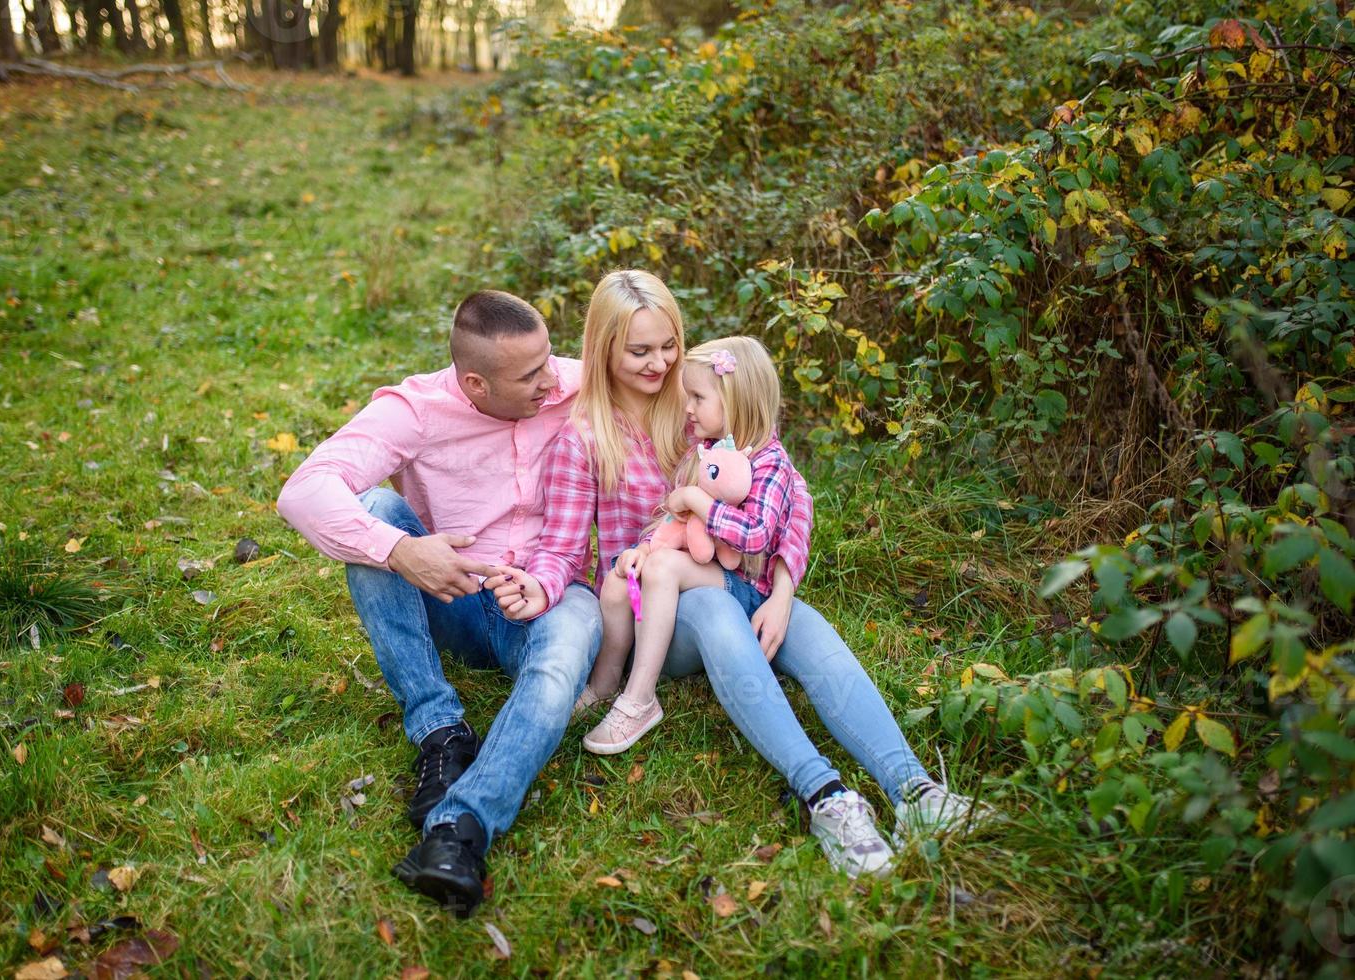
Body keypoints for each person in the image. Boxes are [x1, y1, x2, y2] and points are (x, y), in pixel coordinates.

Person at [492, 270, 995, 880]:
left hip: (741, 583)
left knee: (806, 630)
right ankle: (826, 797)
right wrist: (542, 585)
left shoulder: (706, 409)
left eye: (668, 345)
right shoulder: (585, 438)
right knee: (707, 606)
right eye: (640, 351)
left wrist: (783, 593)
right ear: (604, 349)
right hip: (662, 611)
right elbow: (567, 550)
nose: (660, 363)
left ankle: (916, 792)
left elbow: (793, 495)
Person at [276, 290, 603, 917]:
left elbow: (679, 382)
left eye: (549, 361)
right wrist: (402, 551)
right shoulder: (417, 410)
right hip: (452, 598)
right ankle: (441, 732)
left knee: (568, 646)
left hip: (548, 596)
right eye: (530, 375)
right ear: (474, 382)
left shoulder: (573, 383)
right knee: (374, 515)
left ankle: (459, 830)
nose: (551, 380)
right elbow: (305, 490)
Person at [581, 335, 803, 756]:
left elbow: (756, 534)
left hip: (744, 582)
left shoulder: (770, 461)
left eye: (698, 397)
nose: (687, 408)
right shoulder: (704, 450)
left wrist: (698, 502)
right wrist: (645, 547)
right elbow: (673, 517)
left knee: (663, 569)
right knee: (618, 581)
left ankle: (640, 698)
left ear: (735, 400)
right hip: (703, 567)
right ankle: (604, 683)